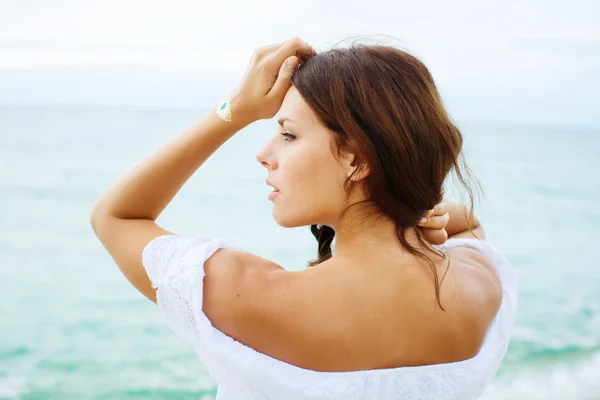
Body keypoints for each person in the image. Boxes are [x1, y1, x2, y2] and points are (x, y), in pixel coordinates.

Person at [91, 37, 518, 399]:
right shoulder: (480, 281)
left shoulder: (249, 294)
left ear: (356, 158)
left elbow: (115, 216)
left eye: (288, 134)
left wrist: (234, 110)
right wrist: (416, 215)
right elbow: (467, 227)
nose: (264, 154)